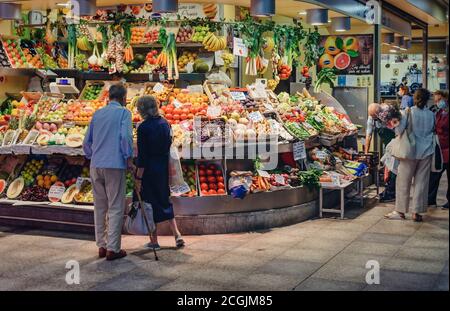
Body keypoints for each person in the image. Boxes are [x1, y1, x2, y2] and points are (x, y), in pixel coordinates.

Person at [83, 84, 133, 261]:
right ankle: (113, 248)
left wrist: (93, 155)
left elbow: (86, 142)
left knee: (100, 206)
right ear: (124, 98)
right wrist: (128, 157)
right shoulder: (124, 113)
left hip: (96, 164)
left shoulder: (98, 113)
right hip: (115, 165)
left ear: (109, 97)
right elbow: (126, 137)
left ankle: (101, 246)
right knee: (115, 206)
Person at [134, 96, 185, 250]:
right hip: (163, 167)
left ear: (142, 110)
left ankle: (154, 240)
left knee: (149, 204)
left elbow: (142, 157)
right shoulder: (165, 123)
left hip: (149, 170)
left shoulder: (143, 128)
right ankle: (177, 234)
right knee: (164, 199)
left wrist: (138, 177)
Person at [385, 89, 435, 222]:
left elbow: (399, 130)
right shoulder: (431, 114)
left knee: (403, 181)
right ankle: (417, 212)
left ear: (415, 97)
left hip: (409, 152)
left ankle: (400, 211)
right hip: (427, 151)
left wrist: (394, 122)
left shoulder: (408, 111)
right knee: (421, 183)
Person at [365, 102, 401, 202]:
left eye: (375, 116)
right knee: (388, 168)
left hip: (397, 143)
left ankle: (392, 193)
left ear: (380, 112)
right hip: (388, 146)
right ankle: (390, 190)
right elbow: (369, 135)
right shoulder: (371, 118)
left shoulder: (389, 112)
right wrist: (366, 153)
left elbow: (398, 130)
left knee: (394, 169)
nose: (374, 119)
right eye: (372, 117)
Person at [428, 95, 449, 209]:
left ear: (446, 99)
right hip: (439, 149)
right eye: (435, 100)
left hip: (447, 148)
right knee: (434, 175)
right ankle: (430, 199)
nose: (437, 102)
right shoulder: (438, 113)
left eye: (439, 100)